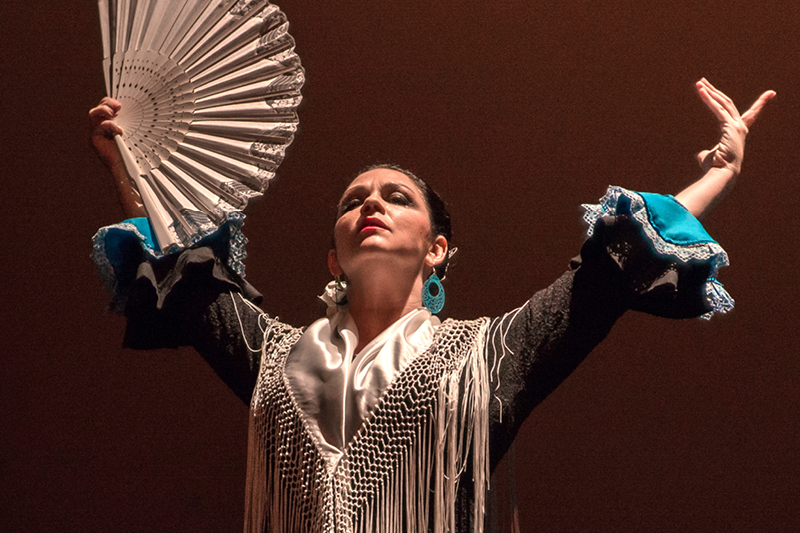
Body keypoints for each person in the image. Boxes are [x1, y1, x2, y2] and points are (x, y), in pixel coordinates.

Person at [89, 79, 774, 533]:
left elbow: (609, 269)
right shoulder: (276, 357)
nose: (371, 205)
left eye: (395, 197)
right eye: (353, 200)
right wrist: (129, 166)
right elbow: (186, 273)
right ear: (333, 258)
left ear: (437, 248)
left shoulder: (490, 353)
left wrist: (720, 171)